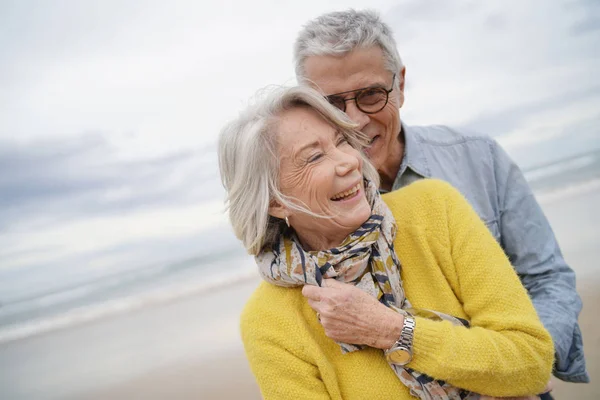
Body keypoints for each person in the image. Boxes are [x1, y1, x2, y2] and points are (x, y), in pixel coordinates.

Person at [292, 9, 588, 384]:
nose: (354, 121)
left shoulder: (478, 157)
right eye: (331, 104)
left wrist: (525, 371)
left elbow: (546, 277)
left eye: (370, 95)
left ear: (399, 84)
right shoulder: (305, 210)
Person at [219, 85, 554, 399]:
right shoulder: (268, 321)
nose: (349, 161)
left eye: (342, 141)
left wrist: (391, 329)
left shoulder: (434, 208)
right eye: (315, 157)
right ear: (275, 201)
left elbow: (531, 359)